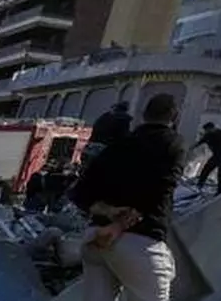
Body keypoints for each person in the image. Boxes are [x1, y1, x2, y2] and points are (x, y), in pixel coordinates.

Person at [70, 92, 184, 301]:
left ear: (143, 115)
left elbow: (79, 193)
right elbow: (160, 190)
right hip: (138, 242)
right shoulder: (171, 143)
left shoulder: (117, 147)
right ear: (174, 115)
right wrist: (119, 225)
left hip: (96, 239)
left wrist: (108, 211)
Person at [83, 102, 133, 168]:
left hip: (92, 145)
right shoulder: (123, 118)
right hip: (107, 148)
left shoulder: (104, 116)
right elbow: (123, 135)